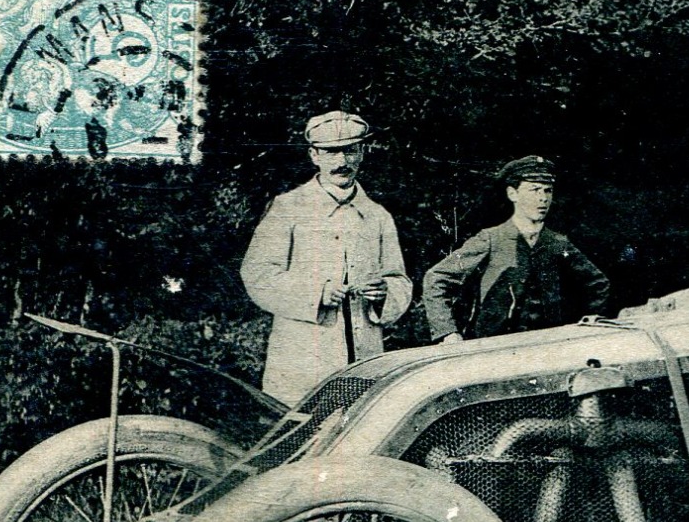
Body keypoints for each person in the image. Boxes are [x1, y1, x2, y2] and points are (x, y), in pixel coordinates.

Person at [240, 111, 413, 406]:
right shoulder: (288, 208)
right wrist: (316, 292)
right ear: (314, 155)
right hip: (302, 358)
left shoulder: (377, 215)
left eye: (351, 150)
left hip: (365, 357)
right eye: (331, 152)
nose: (342, 162)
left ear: (362, 153)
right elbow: (257, 274)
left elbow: (399, 280)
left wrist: (383, 293)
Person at [423, 156, 611, 343]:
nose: (543, 198)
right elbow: (436, 278)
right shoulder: (491, 239)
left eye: (548, 191)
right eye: (534, 190)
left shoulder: (557, 243)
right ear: (513, 194)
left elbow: (598, 283)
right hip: (492, 347)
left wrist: (592, 318)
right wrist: (447, 332)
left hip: (548, 346)